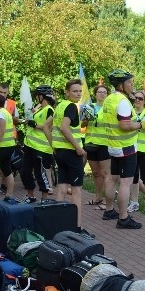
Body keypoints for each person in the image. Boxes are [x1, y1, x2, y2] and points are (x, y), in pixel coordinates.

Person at [101, 69, 145, 229]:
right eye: (129, 82)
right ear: (121, 85)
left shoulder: (109, 99)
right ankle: (123, 218)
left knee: (113, 179)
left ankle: (109, 210)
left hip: (113, 146)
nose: (132, 85)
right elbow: (125, 125)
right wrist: (141, 124)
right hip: (126, 148)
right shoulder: (123, 102)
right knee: (125, 183)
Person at [51, 79, 88, 232]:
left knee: (61, 188)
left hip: (60, 152)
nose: (78, 94)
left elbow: (52, 127)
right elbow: (64, 128)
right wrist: (78, 147)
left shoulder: (60, 105)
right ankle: (76, 228)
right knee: (76, 191)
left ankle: (58, 225)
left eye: (80, 91)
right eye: (75, 91)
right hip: (71, 153)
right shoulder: (71, 107)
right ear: (67, 92)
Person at [21, 85, 55, 202]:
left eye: (37, 96)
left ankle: (44, 198)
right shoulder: (39, 109)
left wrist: (34, 124)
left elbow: (49, 126)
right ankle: (30, 196)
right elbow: (30, 119)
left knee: (40, 174)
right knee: (25, 172)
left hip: (41, 147)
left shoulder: (50, 109)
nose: (36, 98)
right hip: (29, 145)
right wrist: (29, 118)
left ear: (41, 97)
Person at [83, 84, 110, 207]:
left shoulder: (109, 108)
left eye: (104, 92)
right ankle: (98, 197)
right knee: (95, 173)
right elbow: (82, 124)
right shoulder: (90, 106)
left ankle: (107, 200)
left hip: (105, 143)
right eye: (99, 92)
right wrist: (87, 119)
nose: (102, 94)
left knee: (105, 173)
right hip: (91, 143)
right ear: (95, 94)